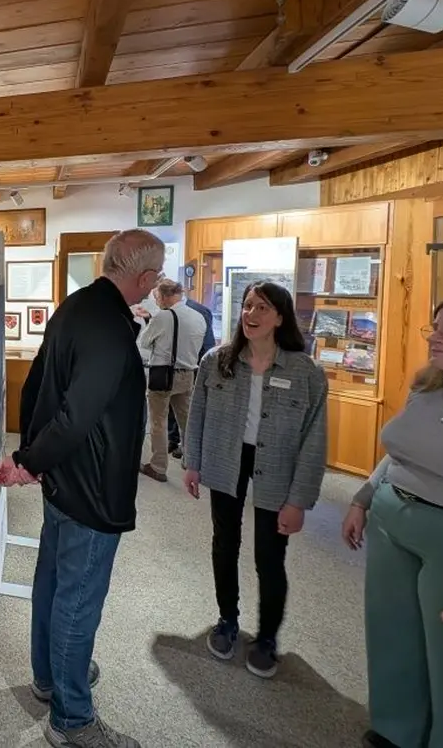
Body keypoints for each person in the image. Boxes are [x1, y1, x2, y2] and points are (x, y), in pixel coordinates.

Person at [0, 229, 165, 748]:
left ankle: (50, 676)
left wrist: (32, 458)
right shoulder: (110, 325)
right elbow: (76, 415)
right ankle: (71, 718)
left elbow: (35, 388)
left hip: (66, 479)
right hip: (92, 485)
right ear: (145, 278)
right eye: (156, 277)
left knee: (54, 581)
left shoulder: (75, 306)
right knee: (78, 598)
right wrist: (29, 461)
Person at [338, 292, 443, 748]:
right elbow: (399, 453)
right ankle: (396, 732)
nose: (436, 337)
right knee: (393, 635)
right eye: (435, 327)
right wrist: (363, 498)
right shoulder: (427, 386)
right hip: (391, 522)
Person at [183, 281, 327, 680]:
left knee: (269, 555)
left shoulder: (306, 371)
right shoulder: (217, 361)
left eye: (262, 308)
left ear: (280, 317)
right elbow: (197, 414)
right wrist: (193, 463)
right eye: (247, 306)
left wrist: (299, 500)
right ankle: (227, 619)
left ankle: (266, 638)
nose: (251, 314)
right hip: (225, 458)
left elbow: (314, 440)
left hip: (277, 466)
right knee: (224, 542)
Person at [138, 279, 206, 483]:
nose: (157, 301)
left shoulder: (164, 316)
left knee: (158, 421)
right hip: (188, 373)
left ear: (165, 296)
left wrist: (151, 323)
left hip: (163, 375)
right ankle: (191, 460)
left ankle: (158, 466)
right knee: (187, 420)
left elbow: (144, 341)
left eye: (157, 297)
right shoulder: (198, 316)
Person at [168, 295, 215, 458]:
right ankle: (175, 441)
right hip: (182, 366)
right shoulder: (174, 311)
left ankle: (184, 445)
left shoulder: (197, 311)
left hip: (190, 366)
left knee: (185, 408)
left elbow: (207, 343)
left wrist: (203, 369)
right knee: (178, 407)